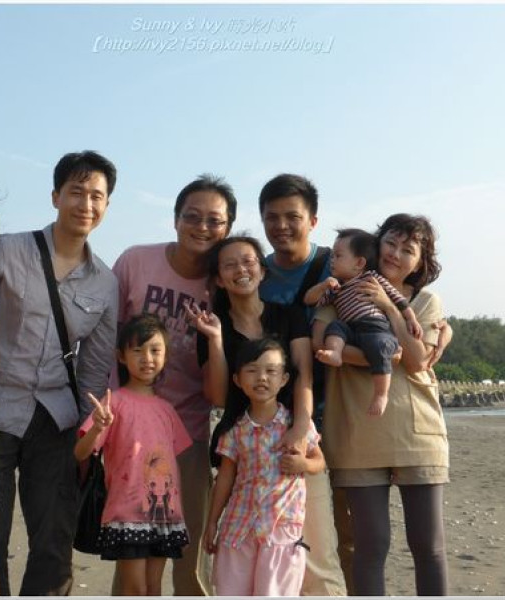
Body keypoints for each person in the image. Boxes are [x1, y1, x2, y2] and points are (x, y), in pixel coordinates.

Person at [0, 150, 119, 595]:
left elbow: (95, 367)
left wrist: (87, 440)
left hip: (55, 419)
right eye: (76, 192)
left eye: (96, 196)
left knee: (53, 542)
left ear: (107, 205)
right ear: (55, 196)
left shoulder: (105, 282)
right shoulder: (9, 249)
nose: (86, 204)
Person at [110, 174, 237, 595]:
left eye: (214, 221)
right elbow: (106, 339)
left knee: (188, 549)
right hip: (129, 430)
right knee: (133, 548)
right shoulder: (135, 261)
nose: (202, 227)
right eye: (192, 216)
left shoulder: (225, 282)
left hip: (188, 432)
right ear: (176, 219)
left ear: (228, 228)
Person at [312, 213, 450, 595]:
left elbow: (417, 359)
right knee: (370, 548)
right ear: (376, 244)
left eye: (408, 249)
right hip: (358, 436)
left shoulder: (425, 301)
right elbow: (320, 343)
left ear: (420, 262)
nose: (395, 253)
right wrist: (384, 356)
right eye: (391, 242)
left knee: (429, 547)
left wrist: (389, 308)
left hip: (418, 434)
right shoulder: (343, 289)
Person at [257, 173, 349, 595]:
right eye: (271, 217)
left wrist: (438, 328)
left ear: (313, 220)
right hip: (275, 420)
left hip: (341, 410)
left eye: (292, 217)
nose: (281, 226)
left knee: (338, 533)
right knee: (276, 541)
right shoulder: (255, 272)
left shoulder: (338, 265)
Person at [75, 314, 192, 596]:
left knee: (153, 588)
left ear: (166, 355)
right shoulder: (114, 403)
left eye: (155, 350)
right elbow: (80, 452)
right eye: (137, 350)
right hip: (127, 512)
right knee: (135, 589)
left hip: (164, 514)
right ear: (121, 356)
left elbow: (173, 463)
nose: (147, 358)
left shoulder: (166, 409)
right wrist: (97, 427)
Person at [203, 338, 322, 596]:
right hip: (237, 528)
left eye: (271, 371)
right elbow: (225, 478)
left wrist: (303, 463)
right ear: (237, 379)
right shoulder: (234, 430)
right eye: (252, 370)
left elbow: (319, 462)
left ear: (284, 379)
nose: (262, 378)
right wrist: (212, 522)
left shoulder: (296, 426)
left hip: (280, 530)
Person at [185, 234, 315, 471]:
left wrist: (300, 429)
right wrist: (215, 338)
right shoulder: (211, 326)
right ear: (219, 280)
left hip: (291, 436)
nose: (241, 269)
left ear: (262, 271)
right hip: (240, 445)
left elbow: (304, 376)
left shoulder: (290, 316)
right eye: (230, 265)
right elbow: (218, 397)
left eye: (248, 261)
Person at [304, 228, 422, 417]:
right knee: (335, 328)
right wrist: (324, 285)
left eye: (338, 256)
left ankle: (381, 394)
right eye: (332, 255)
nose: (332, 260)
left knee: (380, 344)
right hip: (351, 329)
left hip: (374, 326)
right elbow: (309, 300)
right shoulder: (336, 289)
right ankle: (335, 352)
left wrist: (411, 318)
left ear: (359, 263)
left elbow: (398, 300)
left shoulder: (371, 278)